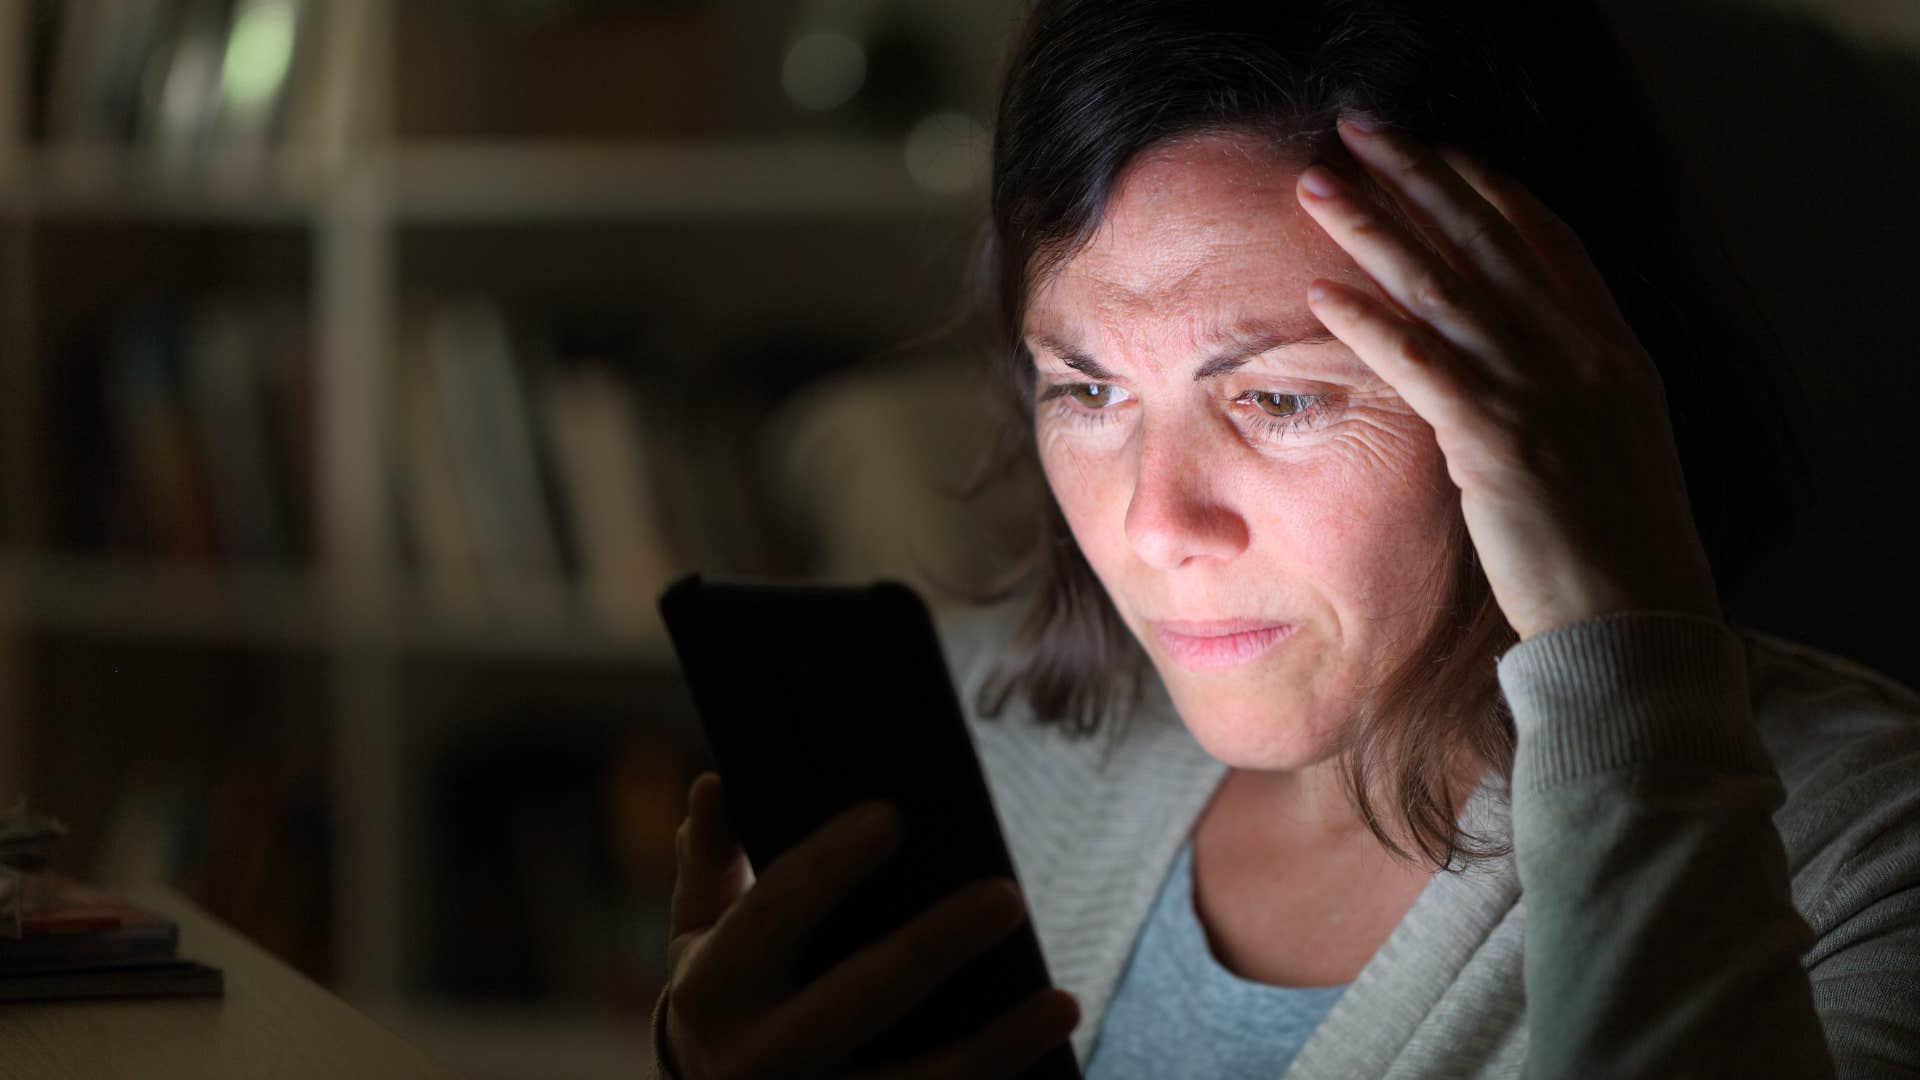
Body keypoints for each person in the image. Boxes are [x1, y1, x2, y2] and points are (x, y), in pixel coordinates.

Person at [653, 1, 1920, 1076]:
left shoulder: (1870, 857)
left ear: (1582, 385)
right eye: (1088, 390)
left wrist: (1627, 653)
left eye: (1282, 398)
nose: (1155, 524)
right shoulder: (971, 743)